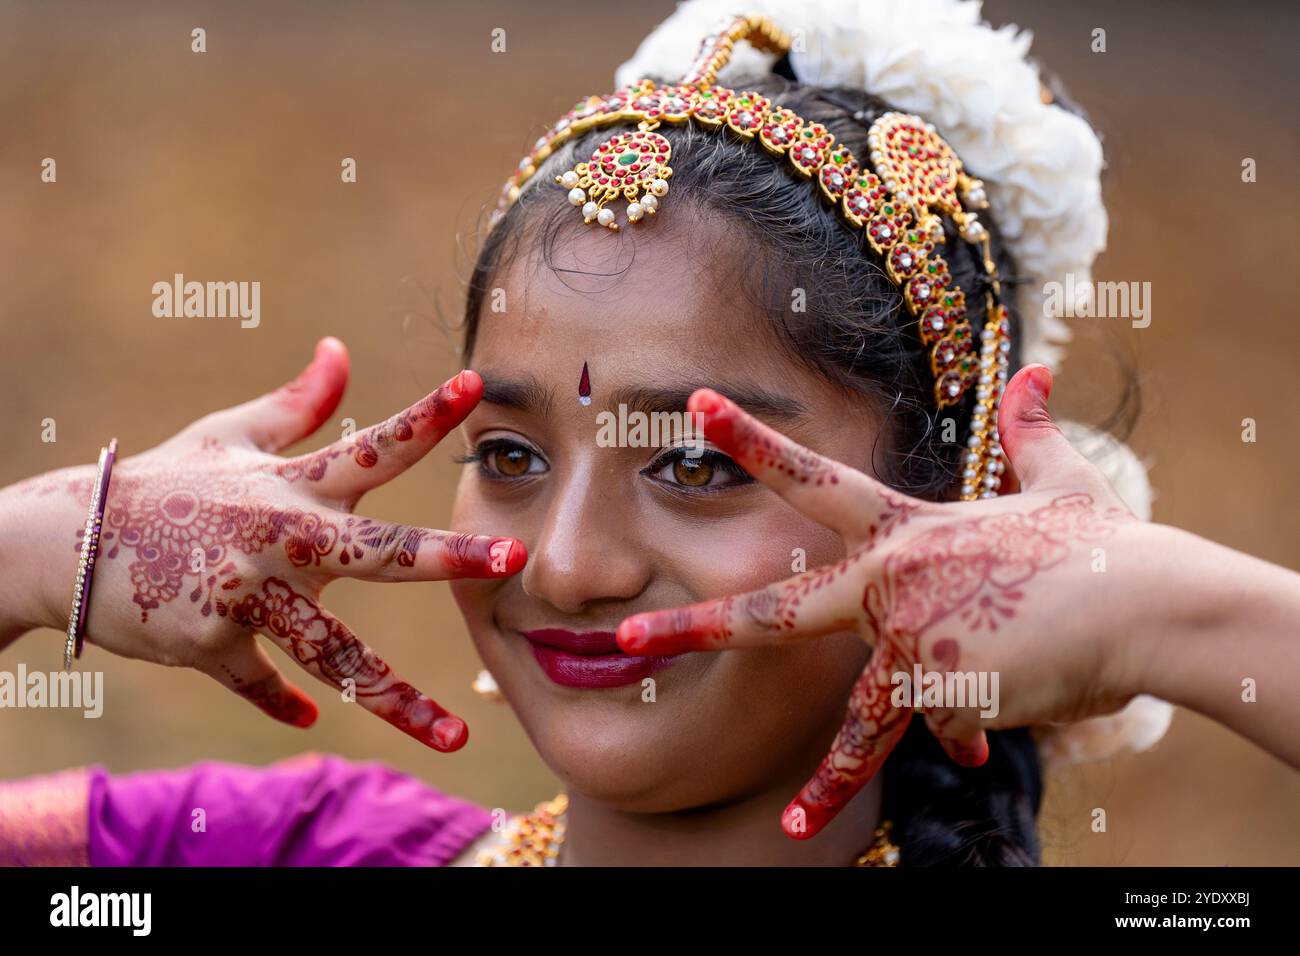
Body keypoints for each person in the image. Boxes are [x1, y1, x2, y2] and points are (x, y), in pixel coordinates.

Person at [2, 1, 1297, 867]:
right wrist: (28, 550)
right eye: (508, 457)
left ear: (961, 505)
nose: (568, 565)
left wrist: (1169, 617)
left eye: (697, 465)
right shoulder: (273, 852)